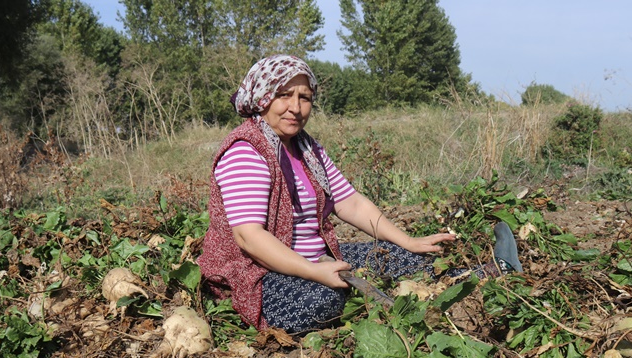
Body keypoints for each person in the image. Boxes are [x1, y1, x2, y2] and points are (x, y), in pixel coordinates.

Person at [197, 54, 519, 334]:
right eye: (284, 95)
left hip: (317, 259)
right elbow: (248, 237)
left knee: (399, 256)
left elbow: (349, 202)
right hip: (258, 275)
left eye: (304, 97)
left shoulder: (306, 148)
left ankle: (489, 273)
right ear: (263, 97)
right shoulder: (246, 150)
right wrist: (314, 272)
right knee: (326, 298)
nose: (295, 107)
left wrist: (407, 240)